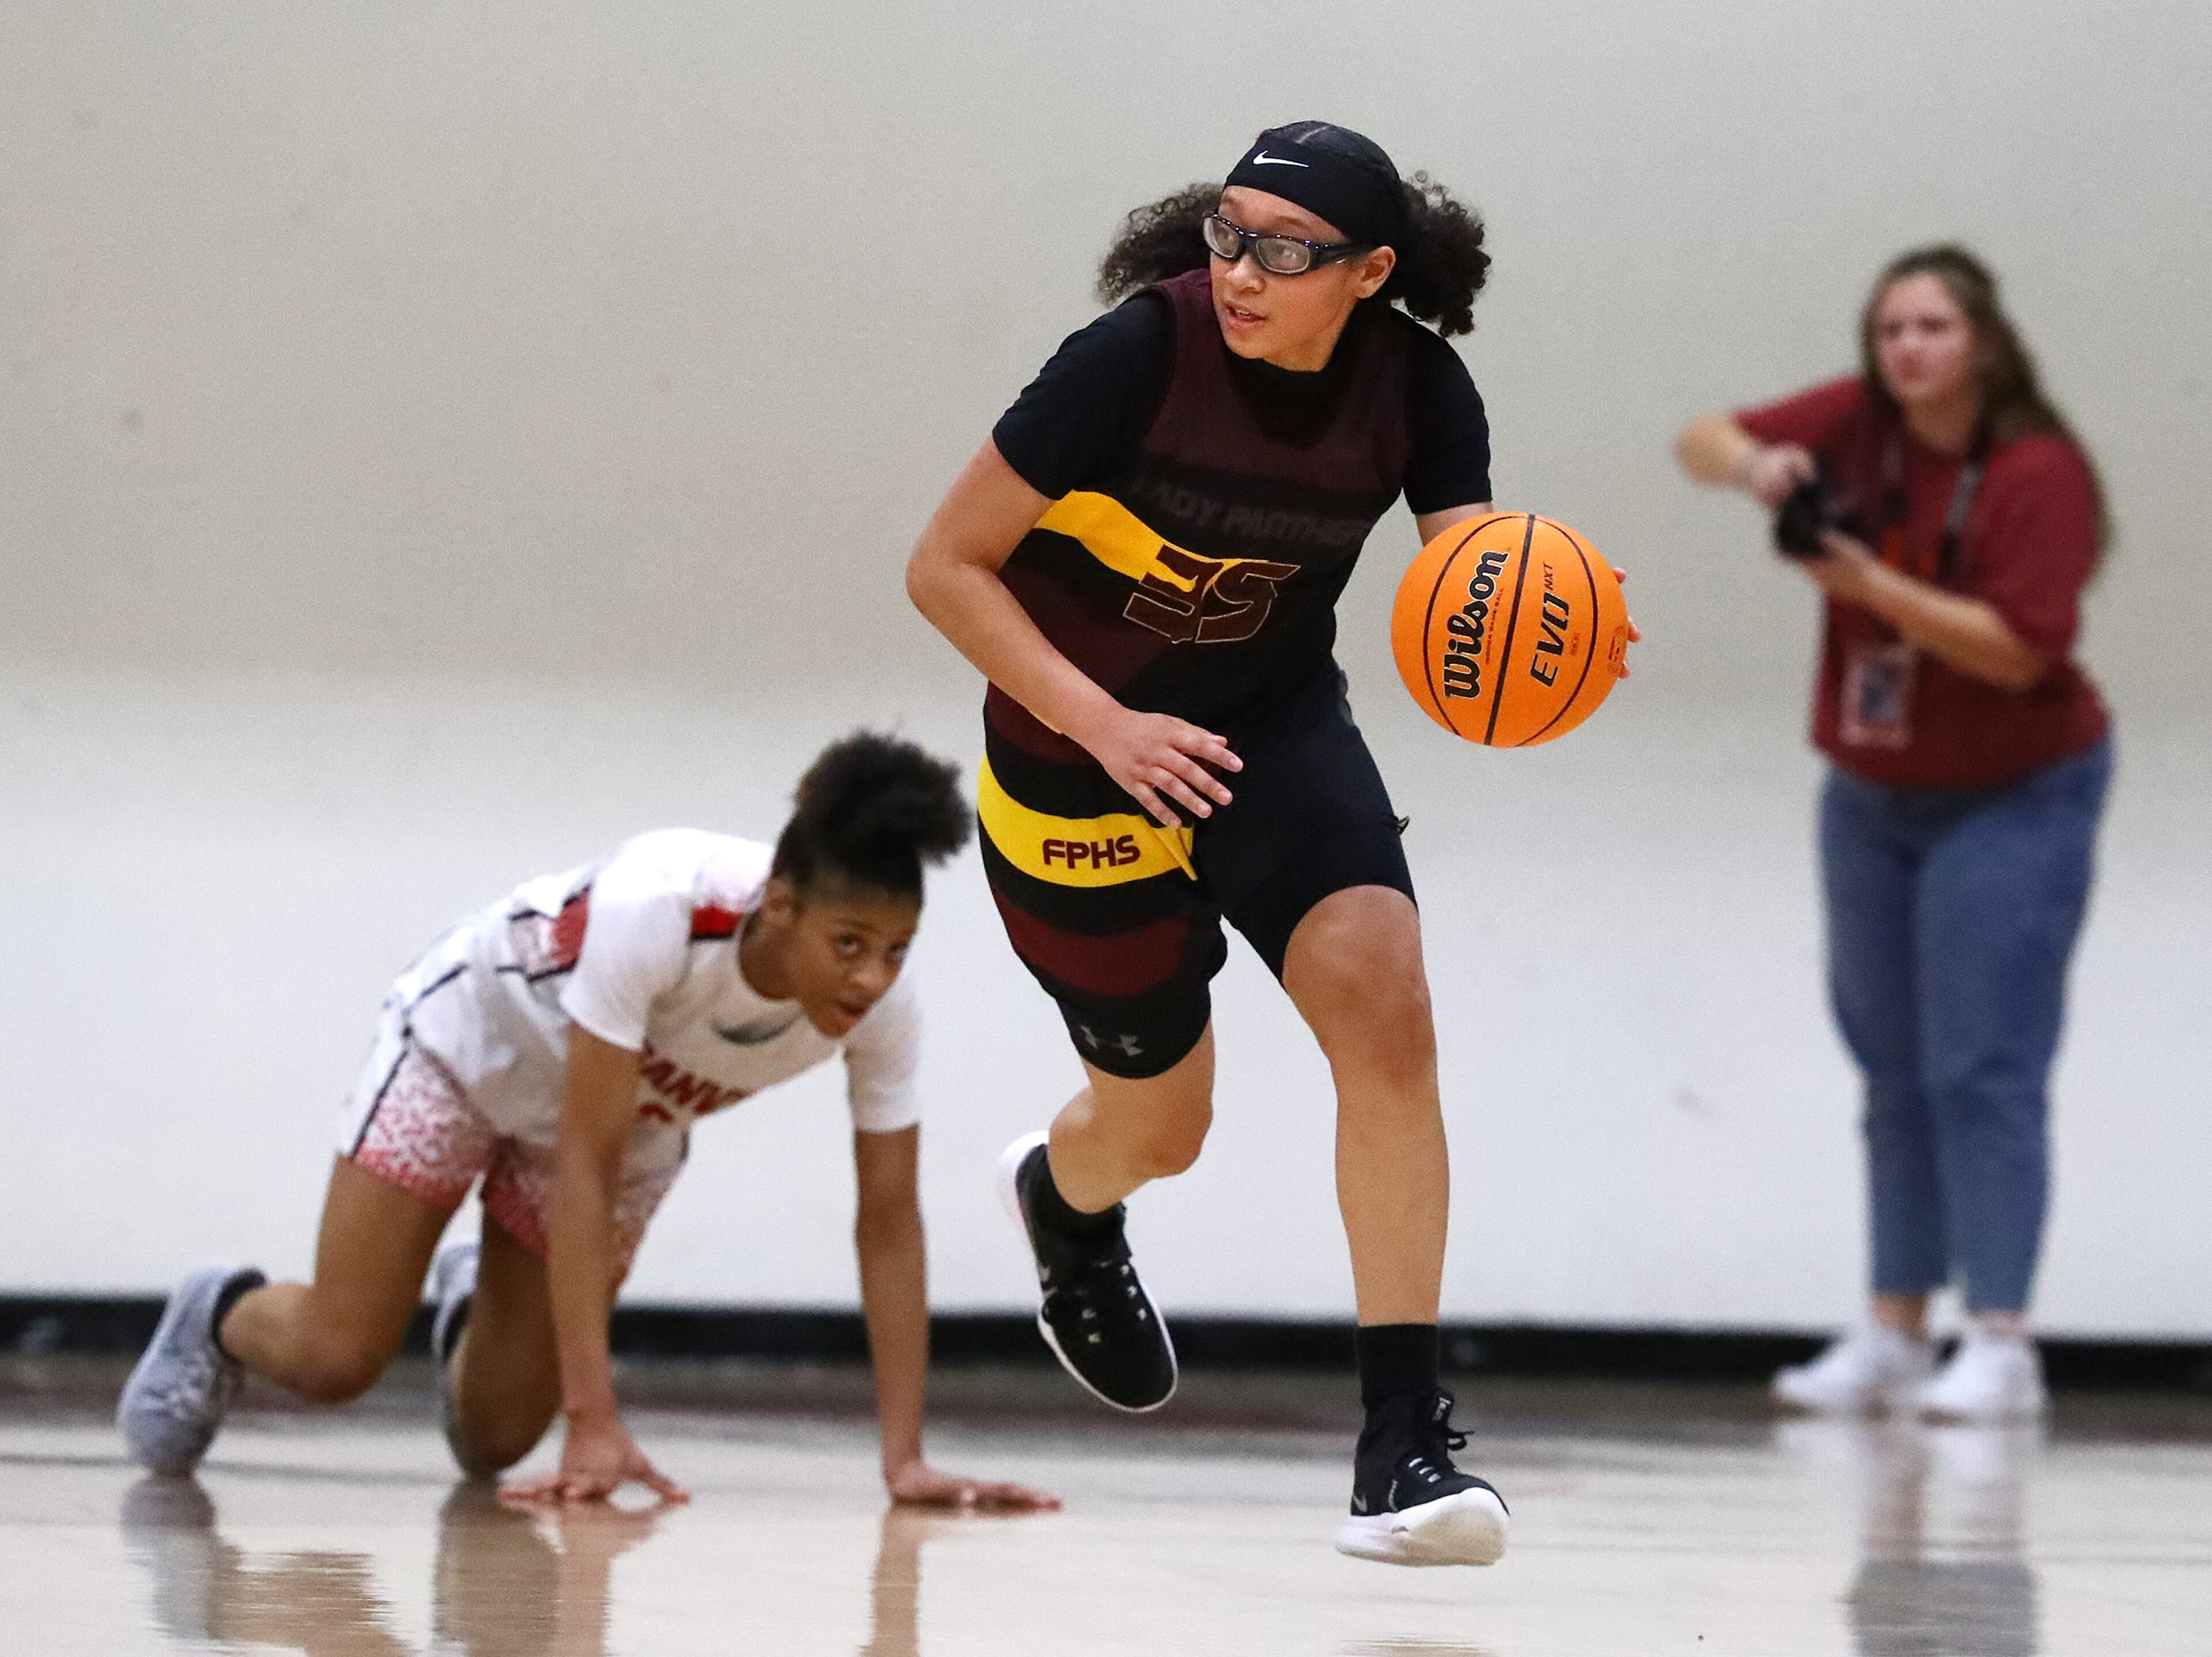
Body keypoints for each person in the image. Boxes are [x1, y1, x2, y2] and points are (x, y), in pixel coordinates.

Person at [908, 120, 1631, 1566]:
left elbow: (1469, 580)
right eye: (1227, 234)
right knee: (1161, 1129)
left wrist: (1557, 625)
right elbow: (945, 566)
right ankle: (1066, 1201)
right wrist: (1106, 724)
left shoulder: (1420, 387)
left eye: (1282, 251)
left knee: (1387, 1003)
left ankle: (1404, 1449)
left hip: (1267, 734)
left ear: (1368, 272)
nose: (1240, 269)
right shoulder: (1131, 357)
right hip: (1074, 758)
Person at [117, 732, 1056, 1513]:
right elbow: (586, 1160)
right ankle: (220, 1314)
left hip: (617, 1124)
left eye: (895, 950)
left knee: (490, 1443)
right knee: (336, 1359)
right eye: (847, 945)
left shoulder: (886, 1010)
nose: (870, 978)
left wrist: (905, 1461)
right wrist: (596, 1420)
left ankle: (474, 1306)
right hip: (469, 1058)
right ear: (779, 906)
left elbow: (889, 1222)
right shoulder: (659, 905)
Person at [1675, 245, 2112, 1423]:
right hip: (1870, 791)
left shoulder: (2036, 470)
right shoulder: (1858, 427)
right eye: (1889, 331)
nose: (1907, 350)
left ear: (1982, 341)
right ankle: (1895, 1327)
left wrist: (1867, 583)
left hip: (2014, 789)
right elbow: (1699, 438)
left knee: (1987, 1064)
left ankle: (2003, 1338)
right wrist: (1760, 462)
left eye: (1930, 328)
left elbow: (2021, 649)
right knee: (1892, 1065)